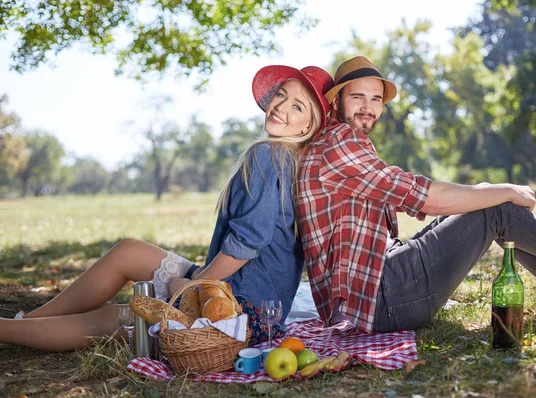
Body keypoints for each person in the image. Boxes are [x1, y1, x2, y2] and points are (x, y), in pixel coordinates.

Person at [0, 64, 334, 351]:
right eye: (281, 95)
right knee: (128, 251)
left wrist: (193, 285)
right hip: (247, 300)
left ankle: (8, 330)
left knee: (121, 317)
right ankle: (28, 320)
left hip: (241, 314)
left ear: (308, 126)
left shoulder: (270, 156)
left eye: (298, 107)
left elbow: (246, 245)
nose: (281, 107)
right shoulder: (288, 160)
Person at [297, 56, 536, 334]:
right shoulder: (340, 141)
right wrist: (503, 189)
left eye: (375, 99)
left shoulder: (334, 144)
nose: (368, 107)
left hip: (374, 293)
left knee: (484, 204)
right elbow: (424, 196)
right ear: (336, 101)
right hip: (379, 299)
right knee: (497, 208)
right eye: (358, 97)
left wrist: (481, 195)